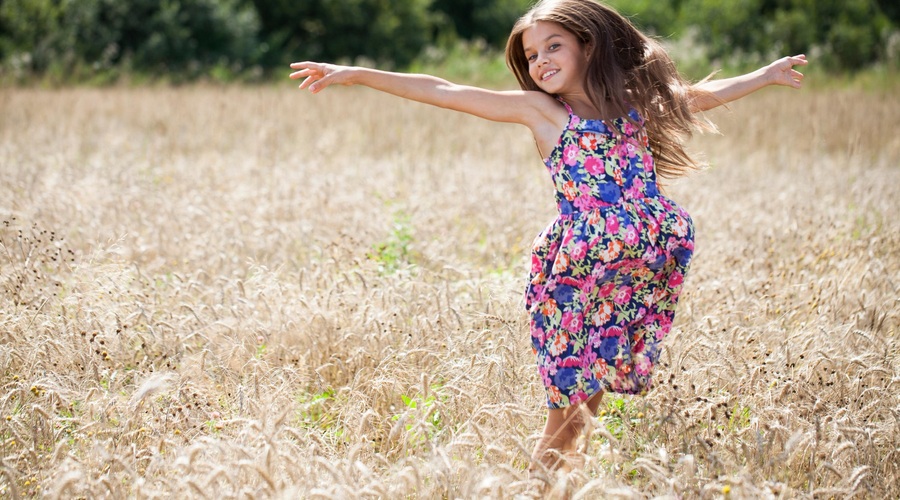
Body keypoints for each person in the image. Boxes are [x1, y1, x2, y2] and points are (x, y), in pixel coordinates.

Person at [290, 0, 806, 476]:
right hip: (575, 276)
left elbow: (693, 97)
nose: (540, 62)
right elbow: (445, 90)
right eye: (532, 55)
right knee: (566, 400)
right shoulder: (544, 113)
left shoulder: (632, 106)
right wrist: (354, 74)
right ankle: (538, 484)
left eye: (552, 46)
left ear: (588, 45)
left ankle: (566, 483)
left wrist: (765, 75)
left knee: (591, 400)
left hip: (630, 273)